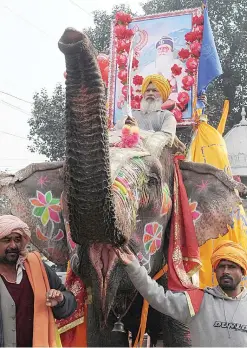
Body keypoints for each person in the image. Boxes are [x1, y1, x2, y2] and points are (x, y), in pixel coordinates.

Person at [114, 240, 247, 347]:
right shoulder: (199, 300)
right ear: (215, 271)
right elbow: (158, 296)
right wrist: (134, 268)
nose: (225, 271)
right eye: (221, 266)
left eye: (232, 267)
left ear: (242, 271)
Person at [0, 215, 77, 347]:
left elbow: (69, 303)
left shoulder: (36, 266)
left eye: (17, 239)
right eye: (6, 240)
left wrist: (60, 301)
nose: (13, 245)